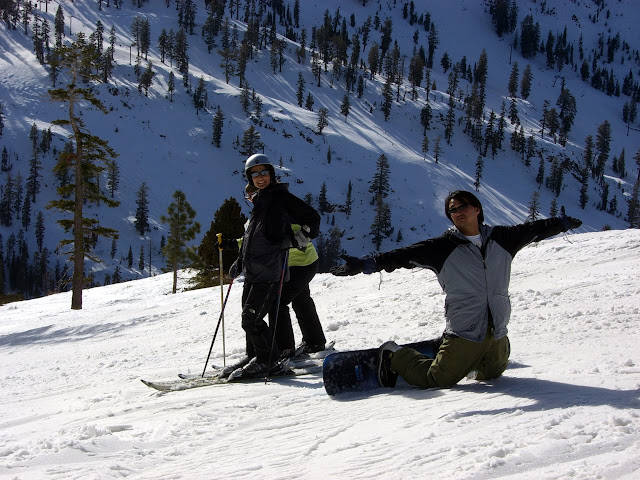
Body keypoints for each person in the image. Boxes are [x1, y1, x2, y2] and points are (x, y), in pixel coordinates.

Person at [331, 190, 582, 390]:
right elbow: (401, 256)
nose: (458, 212)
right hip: (465, 328)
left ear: (477, 209)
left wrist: (561, 223)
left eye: (463, 206)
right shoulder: (442, 247)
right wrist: (366, 264)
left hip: (497, 330)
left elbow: (536, 230)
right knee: (437, 379)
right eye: (452, 210)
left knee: (492, 375)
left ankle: (456, 355)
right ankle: (394, 356)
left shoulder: (503, 238)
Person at [222, 153, 321, 379]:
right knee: (247, 318)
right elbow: (254, 239)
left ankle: (269, 361)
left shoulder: (279, 197)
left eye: (264, 172)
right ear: (249, 178)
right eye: (255, 174)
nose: (260, 177)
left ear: (271, 174)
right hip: (253, 271)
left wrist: (297, 241)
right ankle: (255, 356)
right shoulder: (260, 201)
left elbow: (312, 218)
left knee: (252, 318)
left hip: (269, 270)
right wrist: (241, 261)